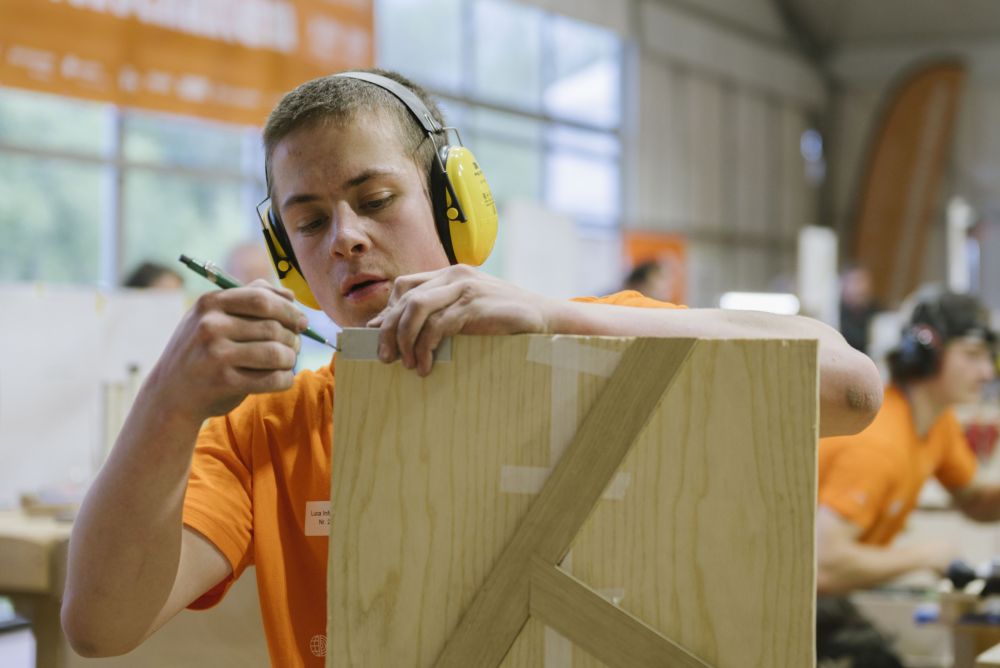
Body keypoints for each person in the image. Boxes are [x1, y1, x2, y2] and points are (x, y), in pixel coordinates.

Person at [62, 68, 883, 665]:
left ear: (455, 203)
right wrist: (169, 403)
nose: (345, 238)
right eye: (308, 222)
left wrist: (560, 317)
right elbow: (100, 626)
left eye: (375, 200)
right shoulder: (267, 433)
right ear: (288, 258)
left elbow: (850, 389)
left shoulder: (603, 354)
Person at [816, 290, 999, 664]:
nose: (987, 372)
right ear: (928, 356)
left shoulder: (937, 424)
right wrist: (925, 556)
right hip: (782, 594)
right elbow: (822, 566)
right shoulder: (879, 444)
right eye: (972, 355)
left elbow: (975, 501)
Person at [839, 264, 881, 354]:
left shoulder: (877, 312)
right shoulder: (835, 314)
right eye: (855, 282)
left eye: (863, 282)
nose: (860, 288)